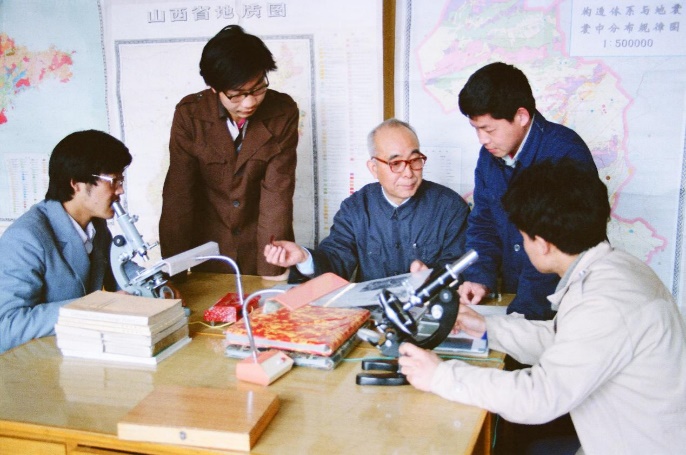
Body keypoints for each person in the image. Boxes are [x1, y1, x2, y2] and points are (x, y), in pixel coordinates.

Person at [398, 159, 686, 454]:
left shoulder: (604, 302)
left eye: (523, 237)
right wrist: (485, 327)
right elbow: (566, 341)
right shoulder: (616, 268)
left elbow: (538, 397)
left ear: (542, 244)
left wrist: (440, 376)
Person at [457, 62, 596, 320]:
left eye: (488, 129)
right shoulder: (489, 157)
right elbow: (484, 224)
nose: (482, 139)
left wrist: (520, 316)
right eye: (476, 129)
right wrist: (479, 278)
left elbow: (555, 245)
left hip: (565, 305)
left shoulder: (565, 153)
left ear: (521, 116)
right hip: (517, 299)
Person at [159, 25, 298, 279]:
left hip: (260, 245)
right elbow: (178, 197)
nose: (249, 102)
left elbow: (277, 198)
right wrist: (174, 272)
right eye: (236, 95)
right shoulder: (190, 115)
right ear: (214, 88)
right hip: (207, 251)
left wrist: (270, 275)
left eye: (258, 88)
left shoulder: (282, 112)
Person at [264, 118, 469, 283]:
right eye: (396, 163)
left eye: (415, 160)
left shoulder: (450, 207)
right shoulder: (355, 208)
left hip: (431, 311)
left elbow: (463, 267)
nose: (408, 173)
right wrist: (304, 258)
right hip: (370, 314)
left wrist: (434, 278)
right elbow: (336, 262)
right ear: (374, 168)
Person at [0, 130, 135, 353]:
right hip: (36, 364)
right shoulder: (25, 239)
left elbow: (119, 269)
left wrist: (155, 285)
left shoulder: (97, 226)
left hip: (76, 351)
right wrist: (94, 308)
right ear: (76, 184)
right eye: (114, 181)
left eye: (121, 180)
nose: (120, 190)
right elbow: (6, 327)